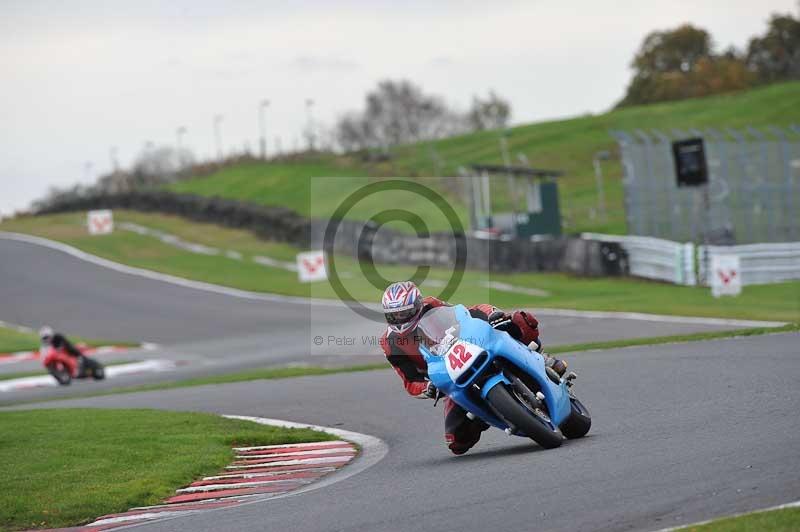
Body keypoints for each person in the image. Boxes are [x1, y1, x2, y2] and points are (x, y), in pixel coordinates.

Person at [379, 281, 568, 455]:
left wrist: (492, 315)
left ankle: (543, 358)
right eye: (394, 315)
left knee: (517, 320)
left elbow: (464, 314)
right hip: (450, 376)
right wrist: (427, 388)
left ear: (418, 305)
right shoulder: (390, 343)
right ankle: (484, 414)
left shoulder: (431, 305)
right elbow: (410, 381)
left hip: (470, 346)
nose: (400, 319)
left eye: (404, 313)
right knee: (456, 442)